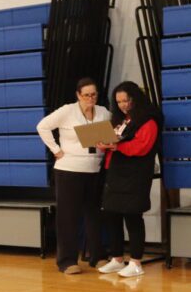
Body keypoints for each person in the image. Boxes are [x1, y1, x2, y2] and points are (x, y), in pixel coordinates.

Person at [37, 77, 111, 274]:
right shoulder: (67, 110)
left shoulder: (103, 112)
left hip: (94, 170)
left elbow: (112, 133)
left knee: (94, 214)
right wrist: (56, 150)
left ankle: (98, 256)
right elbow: (42, 126)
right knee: (68, 217)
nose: (90, 98)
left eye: (93, 94)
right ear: (78, 95)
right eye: (86, 95)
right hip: (69, 170)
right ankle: (67, 261)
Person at [96, 81, 162, 278]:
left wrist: (118, 147)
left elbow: (143, 147)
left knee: (133, 216)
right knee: (111, 214)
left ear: (135, 98)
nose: (123, 104)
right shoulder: (121, 120)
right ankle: (117, 258)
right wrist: (103, 144)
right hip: (115, 173)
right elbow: (114, 143)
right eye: (119, 101)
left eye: (126, 100)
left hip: (135, 175)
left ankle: (135, 262)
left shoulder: (149, 121)